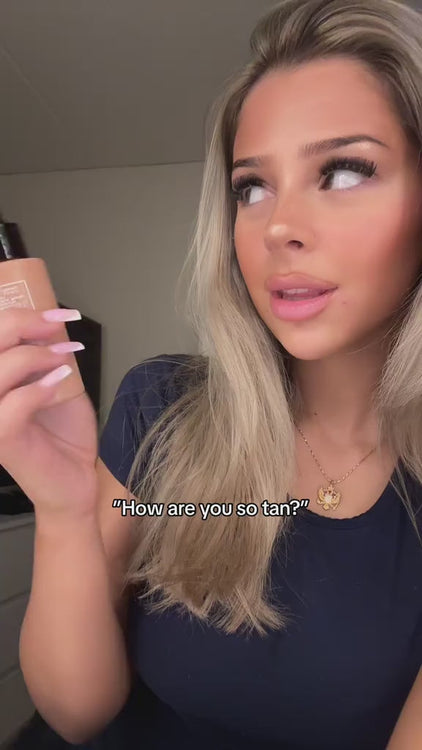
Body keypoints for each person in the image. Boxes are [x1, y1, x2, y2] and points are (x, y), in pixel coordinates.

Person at [2, 0, 421, 748]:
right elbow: (75, 715)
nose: (277, 226)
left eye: (343, 171)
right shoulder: (161, 405)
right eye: (251, 188)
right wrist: (62, 510)